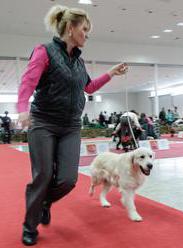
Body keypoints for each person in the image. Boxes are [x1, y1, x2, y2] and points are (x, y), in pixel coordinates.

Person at [17, 5, 128, 246]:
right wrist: (22, 108)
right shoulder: (44, 51)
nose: (87, 34)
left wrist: (110, 74)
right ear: (71, 28)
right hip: (43, 123)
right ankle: (30, 225)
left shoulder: (79, 62)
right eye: (85, 29)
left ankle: (43, 202)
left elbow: (87, 88)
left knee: (68, 179)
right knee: (44, 175)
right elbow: (28, 81)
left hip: (70, 126)